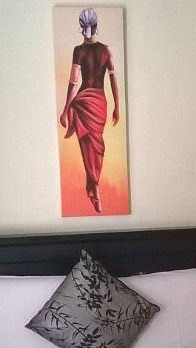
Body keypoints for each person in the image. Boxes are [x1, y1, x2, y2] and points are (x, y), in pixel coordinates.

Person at [59, 8, 120, 213]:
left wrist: (66, 109)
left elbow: (73, 83)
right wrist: (117, 106)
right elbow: (113, 79)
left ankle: (93, 186)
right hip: (99, 103)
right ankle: (94, 188)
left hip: (84, 102)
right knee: (97, 148)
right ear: (96, 26)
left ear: (81, 27)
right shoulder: (106, 50)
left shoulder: (79, 51)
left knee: (88, 148)